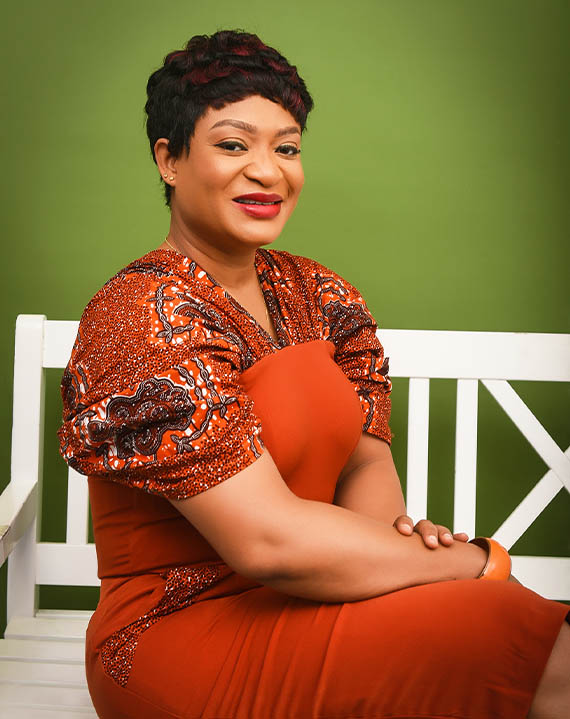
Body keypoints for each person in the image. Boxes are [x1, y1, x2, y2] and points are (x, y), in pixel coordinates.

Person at [58, 29, 569, 719]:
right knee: (511, 628)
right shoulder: (141, 313)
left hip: (317, 595)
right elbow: (267, 543)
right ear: (169, 159)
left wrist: (407, 575)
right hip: (181, 638)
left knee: (506, 627)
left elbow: (366, 464)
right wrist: (468, 562)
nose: (268, 172)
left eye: (287, 148)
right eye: (233, 145)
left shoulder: (321, 295)